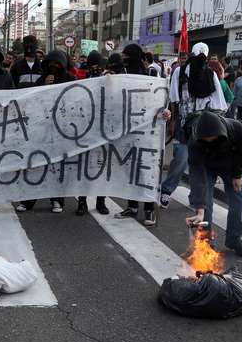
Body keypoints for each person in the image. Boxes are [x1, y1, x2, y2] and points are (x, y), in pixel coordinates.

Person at [159, 43, 227, 212]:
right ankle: (167, 190)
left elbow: (219, 103)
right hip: (184, 125)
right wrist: (172, 119)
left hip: (203, 127)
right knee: (180, 160)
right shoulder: (179, 72)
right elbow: (173, 98)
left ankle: (196, 199)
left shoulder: (210, 75)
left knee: (200, 165)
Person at [186, 110, 242, 257]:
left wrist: (237, 174)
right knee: (206, 204)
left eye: (213, 138)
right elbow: (196, 173)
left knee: (238, 200)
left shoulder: (238, 129)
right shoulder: (194, 141)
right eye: (206, 140)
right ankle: (206, 243)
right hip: (206, 168)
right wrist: (200, 207)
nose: (210, 141)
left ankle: (234, 238)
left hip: (231, 167)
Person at [16, 50, 75, 214]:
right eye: (51, 64)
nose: (53, 67)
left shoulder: (70, 79)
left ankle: (57, 199)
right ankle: (28, 201)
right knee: (35, 165)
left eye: (57, 64)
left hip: (60, 130)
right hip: (40, 129)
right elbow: (32, 100)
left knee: (56, 166)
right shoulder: (42, 79)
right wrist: (44, 86)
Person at [113, 44, 163, 225]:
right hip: (128, 129)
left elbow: (160, 98)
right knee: (130, 170)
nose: (124, 58)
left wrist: (165, 112)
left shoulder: (151, 74)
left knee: (146, 170)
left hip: (148, 129)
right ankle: (132, 206)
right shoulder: (122, 73)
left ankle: (149, 209)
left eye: (127, 55)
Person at [76, 51, 110, 215]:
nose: (95, 68)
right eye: (92, 66)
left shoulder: (108, 79)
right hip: (86, 129)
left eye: (98, 66)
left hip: (103, 129)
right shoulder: (82, 79)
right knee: (84, 167)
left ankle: (101, 201)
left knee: (102, 167)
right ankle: (82, 202)